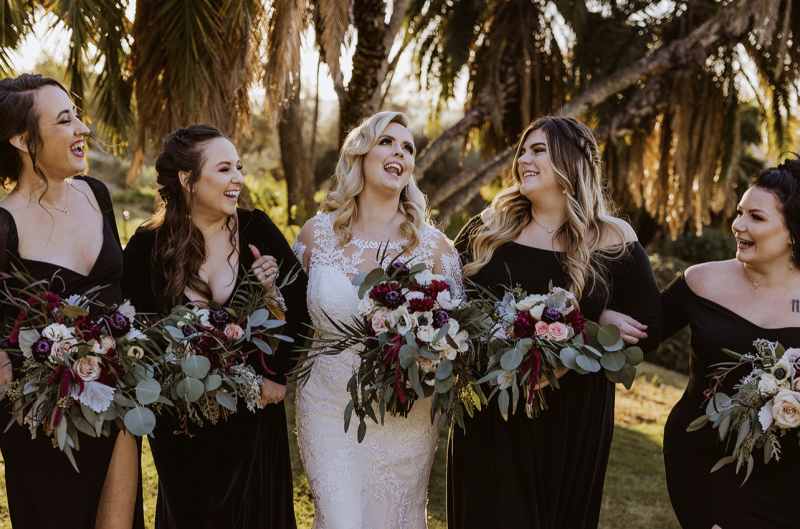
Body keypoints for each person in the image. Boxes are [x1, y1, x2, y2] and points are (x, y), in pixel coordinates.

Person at [448, 116, 662, 529]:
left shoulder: (613, 238)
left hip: (573, 417)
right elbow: (453, 304)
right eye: (523, 151)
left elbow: (647, 330)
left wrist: (594, 327)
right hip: (492, 410)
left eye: (538, 150)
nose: (523, 160)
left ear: (572, 162)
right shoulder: (489, 228)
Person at [123, 124, 309, 528]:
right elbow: (133, 331)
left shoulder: (257, 229)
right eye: (224, 169)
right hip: (180, 424)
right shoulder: (146, 246)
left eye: (238, 167)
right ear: (187, 179)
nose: (237, 178)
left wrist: (276, 374)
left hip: (254, 415)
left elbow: (301, 307)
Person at [292, 111, 462, 529]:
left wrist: (429, 356)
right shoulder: (317, 234)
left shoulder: (435, 248)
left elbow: (457, 338)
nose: (399, 153)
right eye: (387, 142)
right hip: (328, 407)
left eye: (408, 148)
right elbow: (287, 316)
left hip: (406, 414)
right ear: (360, 154)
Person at [609, 157, 800, 529]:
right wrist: (603, 318)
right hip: (701, 458)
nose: (738, 225)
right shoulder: (702, 282)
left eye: (756, 217)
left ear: (793, 231)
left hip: (787, 474)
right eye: (739, 212)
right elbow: (639, 338)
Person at [0, 73, 143, 529]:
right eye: (64, 120)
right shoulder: (4, 225)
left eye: (77, 115)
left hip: (115, 404)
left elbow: (122, 292)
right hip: (43, 424)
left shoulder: (96, 195)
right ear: (23, 140)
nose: (82, 128)